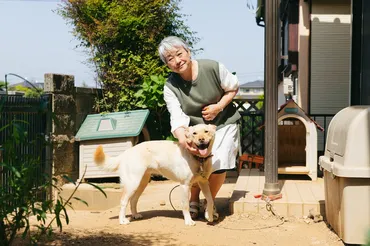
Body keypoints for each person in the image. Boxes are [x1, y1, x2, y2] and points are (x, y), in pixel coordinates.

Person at [158, 36, 241, 220]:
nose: (177, 61)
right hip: (195, 131)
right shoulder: (170, 86)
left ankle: (209, 203)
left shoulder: (212, 67)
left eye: (179, 54)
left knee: (219, 164)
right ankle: (194, 199)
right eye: (170, 59)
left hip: (223, 123)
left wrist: (218, 106)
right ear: (167, 64)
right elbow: (177, 116)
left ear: (188, 51)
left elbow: (233, 88)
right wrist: (183, 139)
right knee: (195, 165)